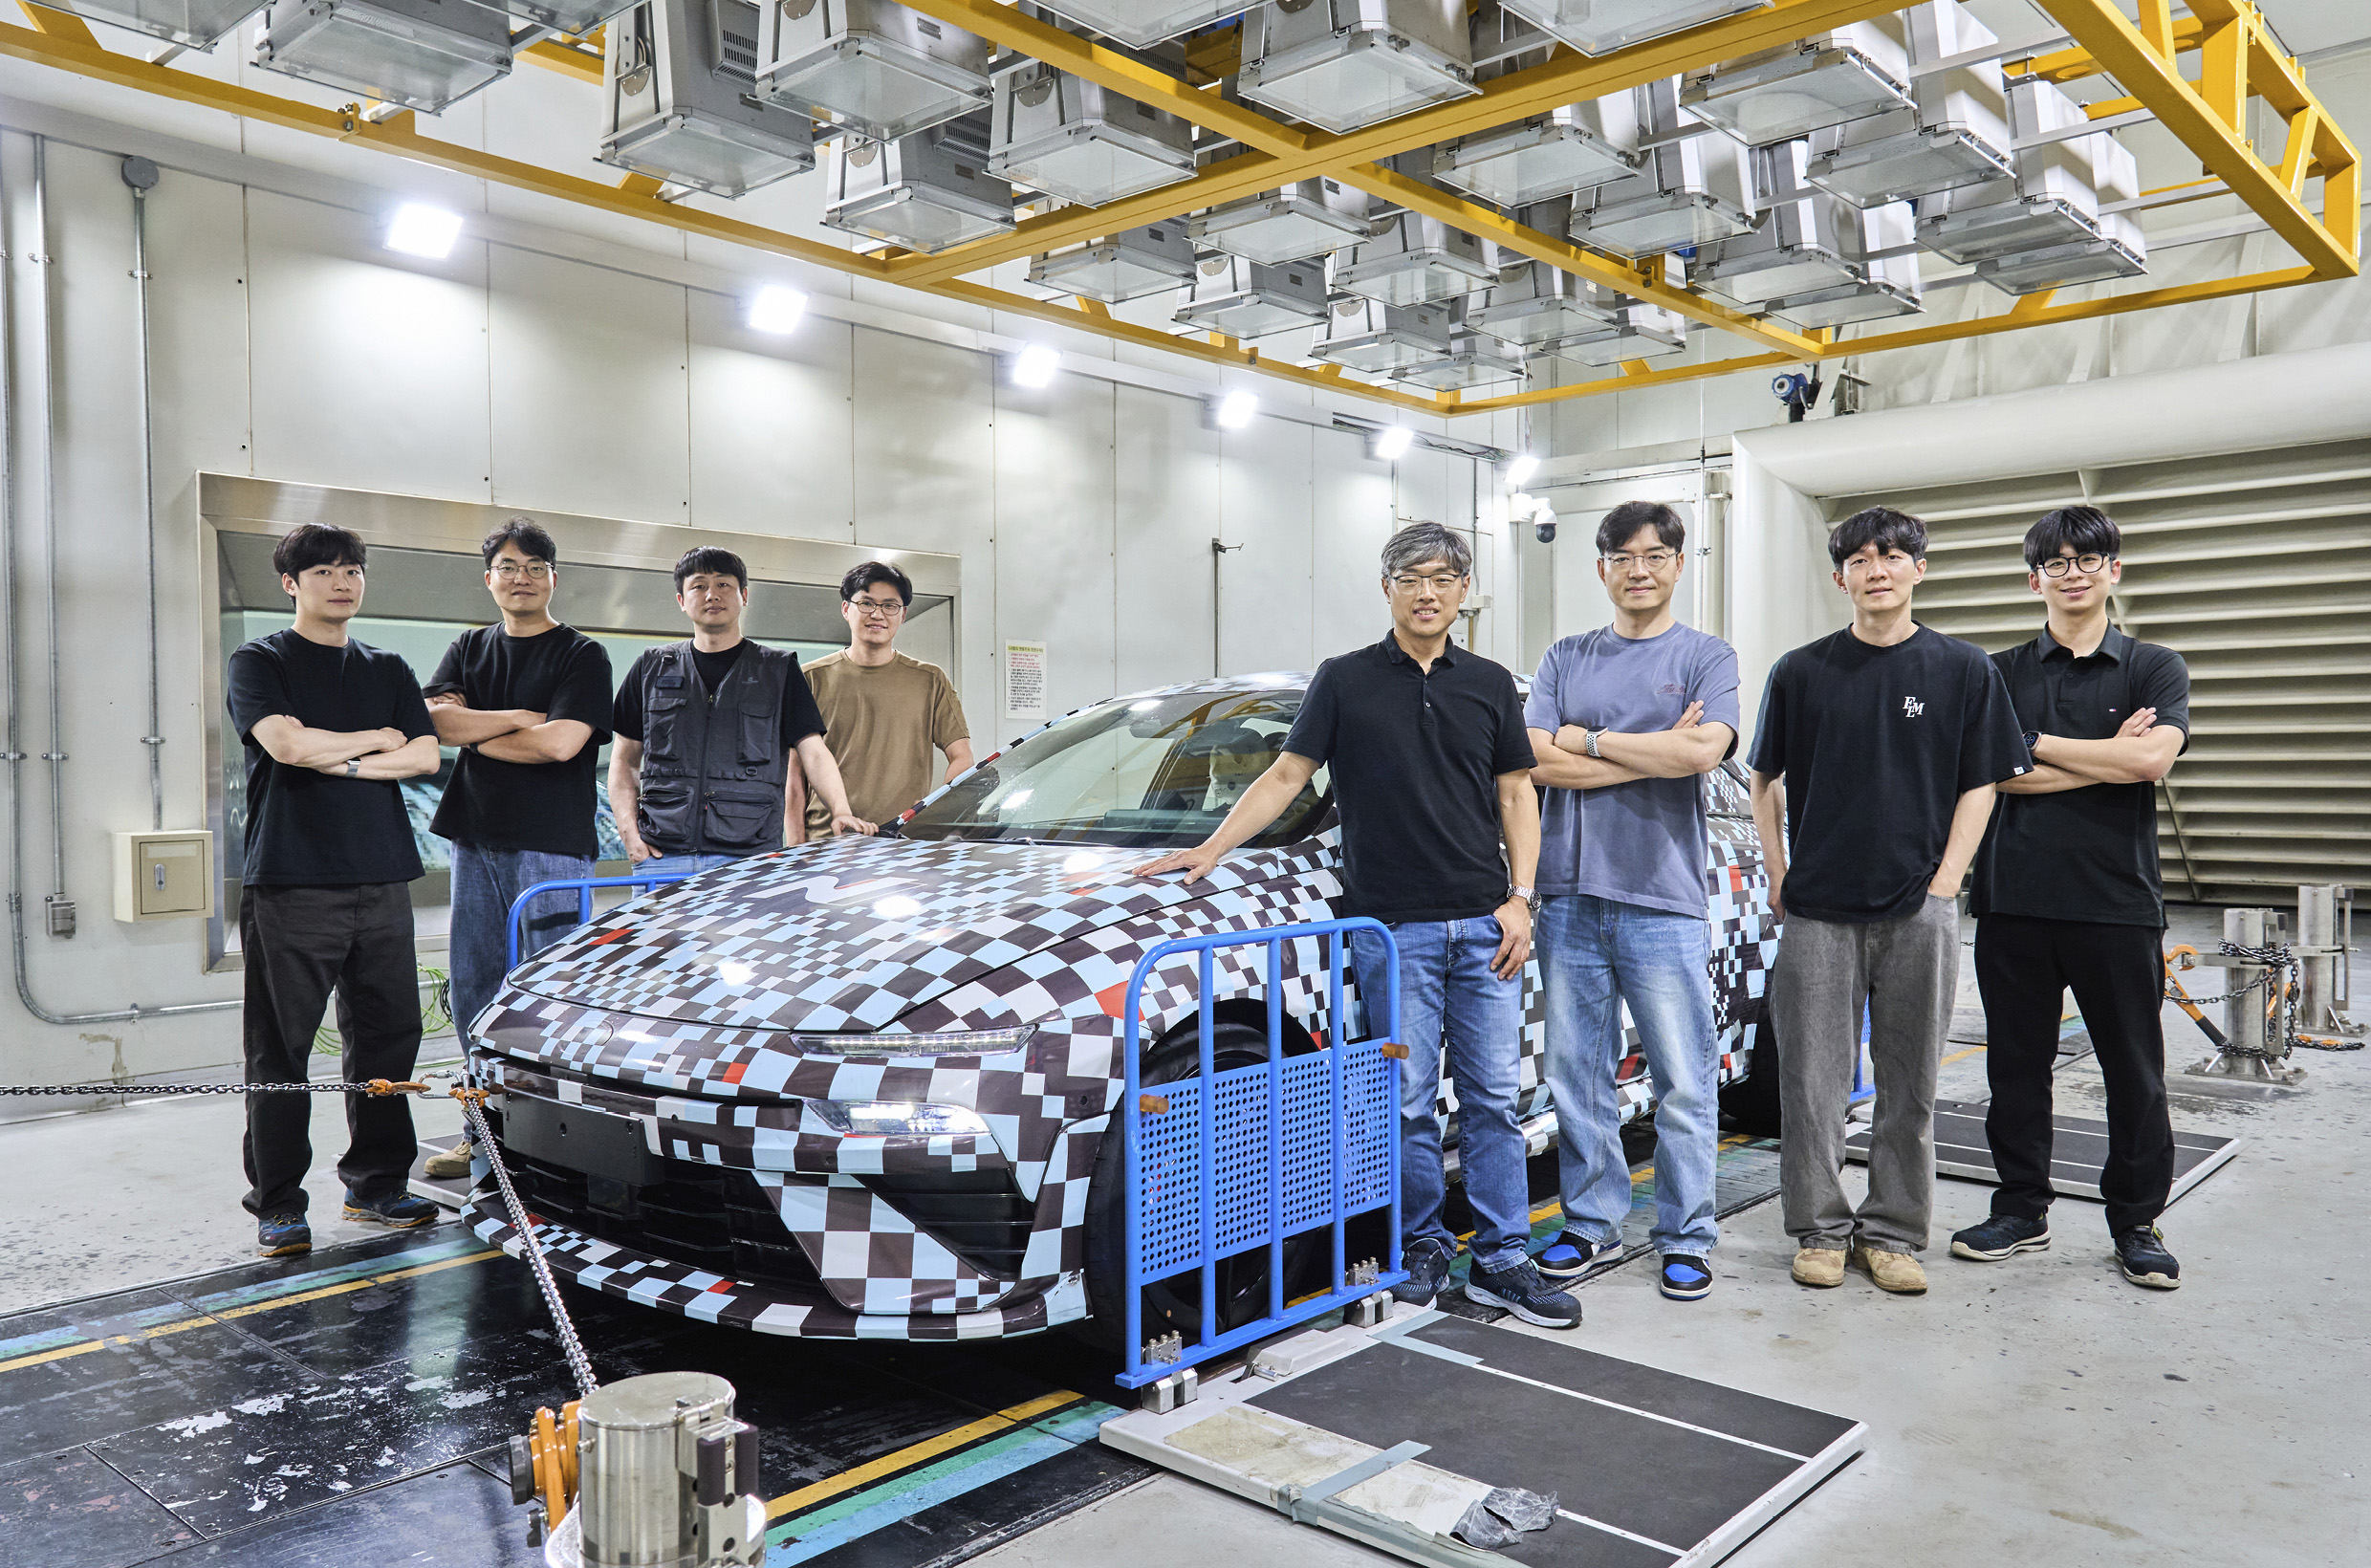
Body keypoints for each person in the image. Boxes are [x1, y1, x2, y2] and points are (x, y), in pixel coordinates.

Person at [1139, 521, 1580, 1330]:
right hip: (1391, 932)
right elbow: (1285, 775)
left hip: (1485, 925)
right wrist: (1206, 849)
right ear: (1387, 588)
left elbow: (1519, 794)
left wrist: (1522, 897)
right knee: (1408, 1100)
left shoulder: (1486, 685)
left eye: (1443, 578)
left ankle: (1503, 1258)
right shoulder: (1342, 680)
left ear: (1463, 593)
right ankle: (1422, 1245)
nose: (1427, 591)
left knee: (1492, 1098)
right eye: (1411, 577)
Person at [1748, 506, 2029, 1296]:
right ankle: (1820, 1229)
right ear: (1841, 577)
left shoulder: (1964, 670)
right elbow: (1763, 779)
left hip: (1919, 911)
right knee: (1811, 1083)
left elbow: (1983, 783)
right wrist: (1777, 870)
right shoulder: (1802, 671)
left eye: (1894, 555)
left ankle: (1896, 1231)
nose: (1878, 569)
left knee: (1911, 1082)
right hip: (1818, 911)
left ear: (1919, 569)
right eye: (1861, 558)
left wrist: (1947, 882)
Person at [1952, 507, 2189, 1290]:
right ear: (2035, 580)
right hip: (2013, 900)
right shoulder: (1998, 671)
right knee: (2016, 1070)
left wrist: (2039, 745)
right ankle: (2021, 1207)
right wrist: (2109, 754)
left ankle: (2137, 1222)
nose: (2074, 572)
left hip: (2117, 903)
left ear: (2114, 570)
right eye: (2056, 563)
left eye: (2089, 558)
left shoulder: (2154, 667)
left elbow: (2151, 764)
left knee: (2135, 1072)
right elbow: (1991, 774)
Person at [1525, 501, 1740, 1303]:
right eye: (1623, 556)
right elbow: (1535, 762)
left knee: (1684, 1079)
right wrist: (1656, 754)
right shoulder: (1565, 656)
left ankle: (1686, 1236)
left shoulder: (1707, 656)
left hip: (1662, 898)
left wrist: (1586, 738)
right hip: (1569, 898)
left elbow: (1704, 751)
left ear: (1679, 563)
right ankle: (1590, 1222)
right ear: (1602, 567)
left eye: (1655, 555)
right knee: (1576, 1074)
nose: (1639, 569)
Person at [226, 523, 444, 1257]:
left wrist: (343, 756)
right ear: (291, 584)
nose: (342, 582)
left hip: (383, 877)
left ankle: (378, 1183)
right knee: (280, 1048)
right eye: (324, 572)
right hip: (292, 880)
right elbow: (285, 746)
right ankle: (278, 1203)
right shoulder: (261, 660)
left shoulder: (387, 667)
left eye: (352, 569)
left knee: (388, 1040)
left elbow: (422, 755)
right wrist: (372, 740)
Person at [419, 519, 614, 1181]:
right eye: (508, 566)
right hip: (476, 841)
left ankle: (554, 1146)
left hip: (552, 849)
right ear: (489, 579)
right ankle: (484, 1134)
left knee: (551, 996)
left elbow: (561, 744)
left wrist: (476, 732)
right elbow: (437, 722)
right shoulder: (469, 647)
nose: (521, 577)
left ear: (553, 578)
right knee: (475, 994)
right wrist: (517, 719)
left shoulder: (581, 655)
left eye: (534, 566)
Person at [610, 547, 874, 876]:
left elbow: (813, 749)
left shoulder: (778, 670)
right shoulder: (651, 668)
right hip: (662, 858)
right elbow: (624, 762)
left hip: (749, 860)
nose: (712, 595)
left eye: (724, 585)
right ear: (681, 600)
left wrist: (840, 810)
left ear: (743, 595)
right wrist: (630, 836)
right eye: (699, 586)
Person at [800, 560, 974, 836]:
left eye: (889, 606)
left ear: (902, 614)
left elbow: (962, 756)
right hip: (828, 842)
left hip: (904, 842)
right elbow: (793, 774)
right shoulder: (810, 678)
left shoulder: (930, 680)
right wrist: (797, 849)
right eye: (866, 603)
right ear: (847, 609)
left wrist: (940, 805)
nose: (877, 614)